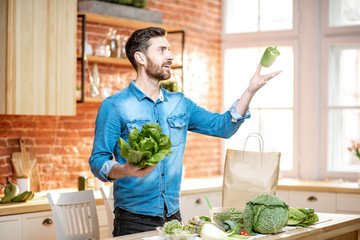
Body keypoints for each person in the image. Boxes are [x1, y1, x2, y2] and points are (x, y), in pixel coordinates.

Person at [89, 27, 281, 236]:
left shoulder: (179, 103)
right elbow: (98, 159)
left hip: (173, 217)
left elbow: (223, 127)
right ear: (140, 58)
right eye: (162, 50)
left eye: (169, 50)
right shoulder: (115, 105)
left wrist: (250, 90)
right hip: (132, 219)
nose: (170, 56)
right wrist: (124, 170)